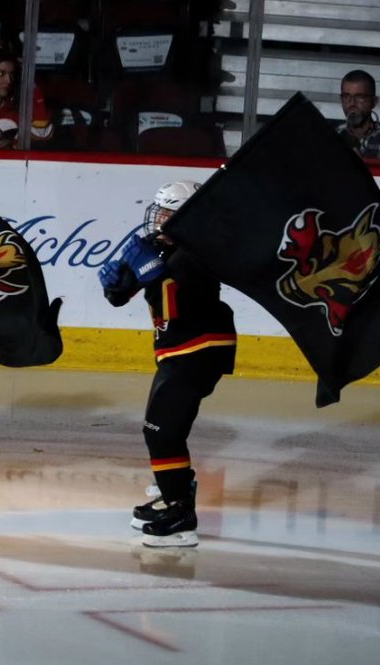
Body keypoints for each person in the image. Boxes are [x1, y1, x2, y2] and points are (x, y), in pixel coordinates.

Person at [98, 181, 237, 548]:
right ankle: (173, 495)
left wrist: (150, 270)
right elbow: (125, 295)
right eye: (158, 211)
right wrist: (117, 285)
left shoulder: (198, 254)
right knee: (162, 429)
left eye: (167, 213)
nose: (159, 220)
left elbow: (177, 305)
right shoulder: (165, 250)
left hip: (200, 348)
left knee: (161, 430)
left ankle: (180, 516)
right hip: (179, 350)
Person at [337, 69, 380, 160]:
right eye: (346, 97)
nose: (352, 103)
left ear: (374, 102)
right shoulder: (331, 136)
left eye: (360, 97)